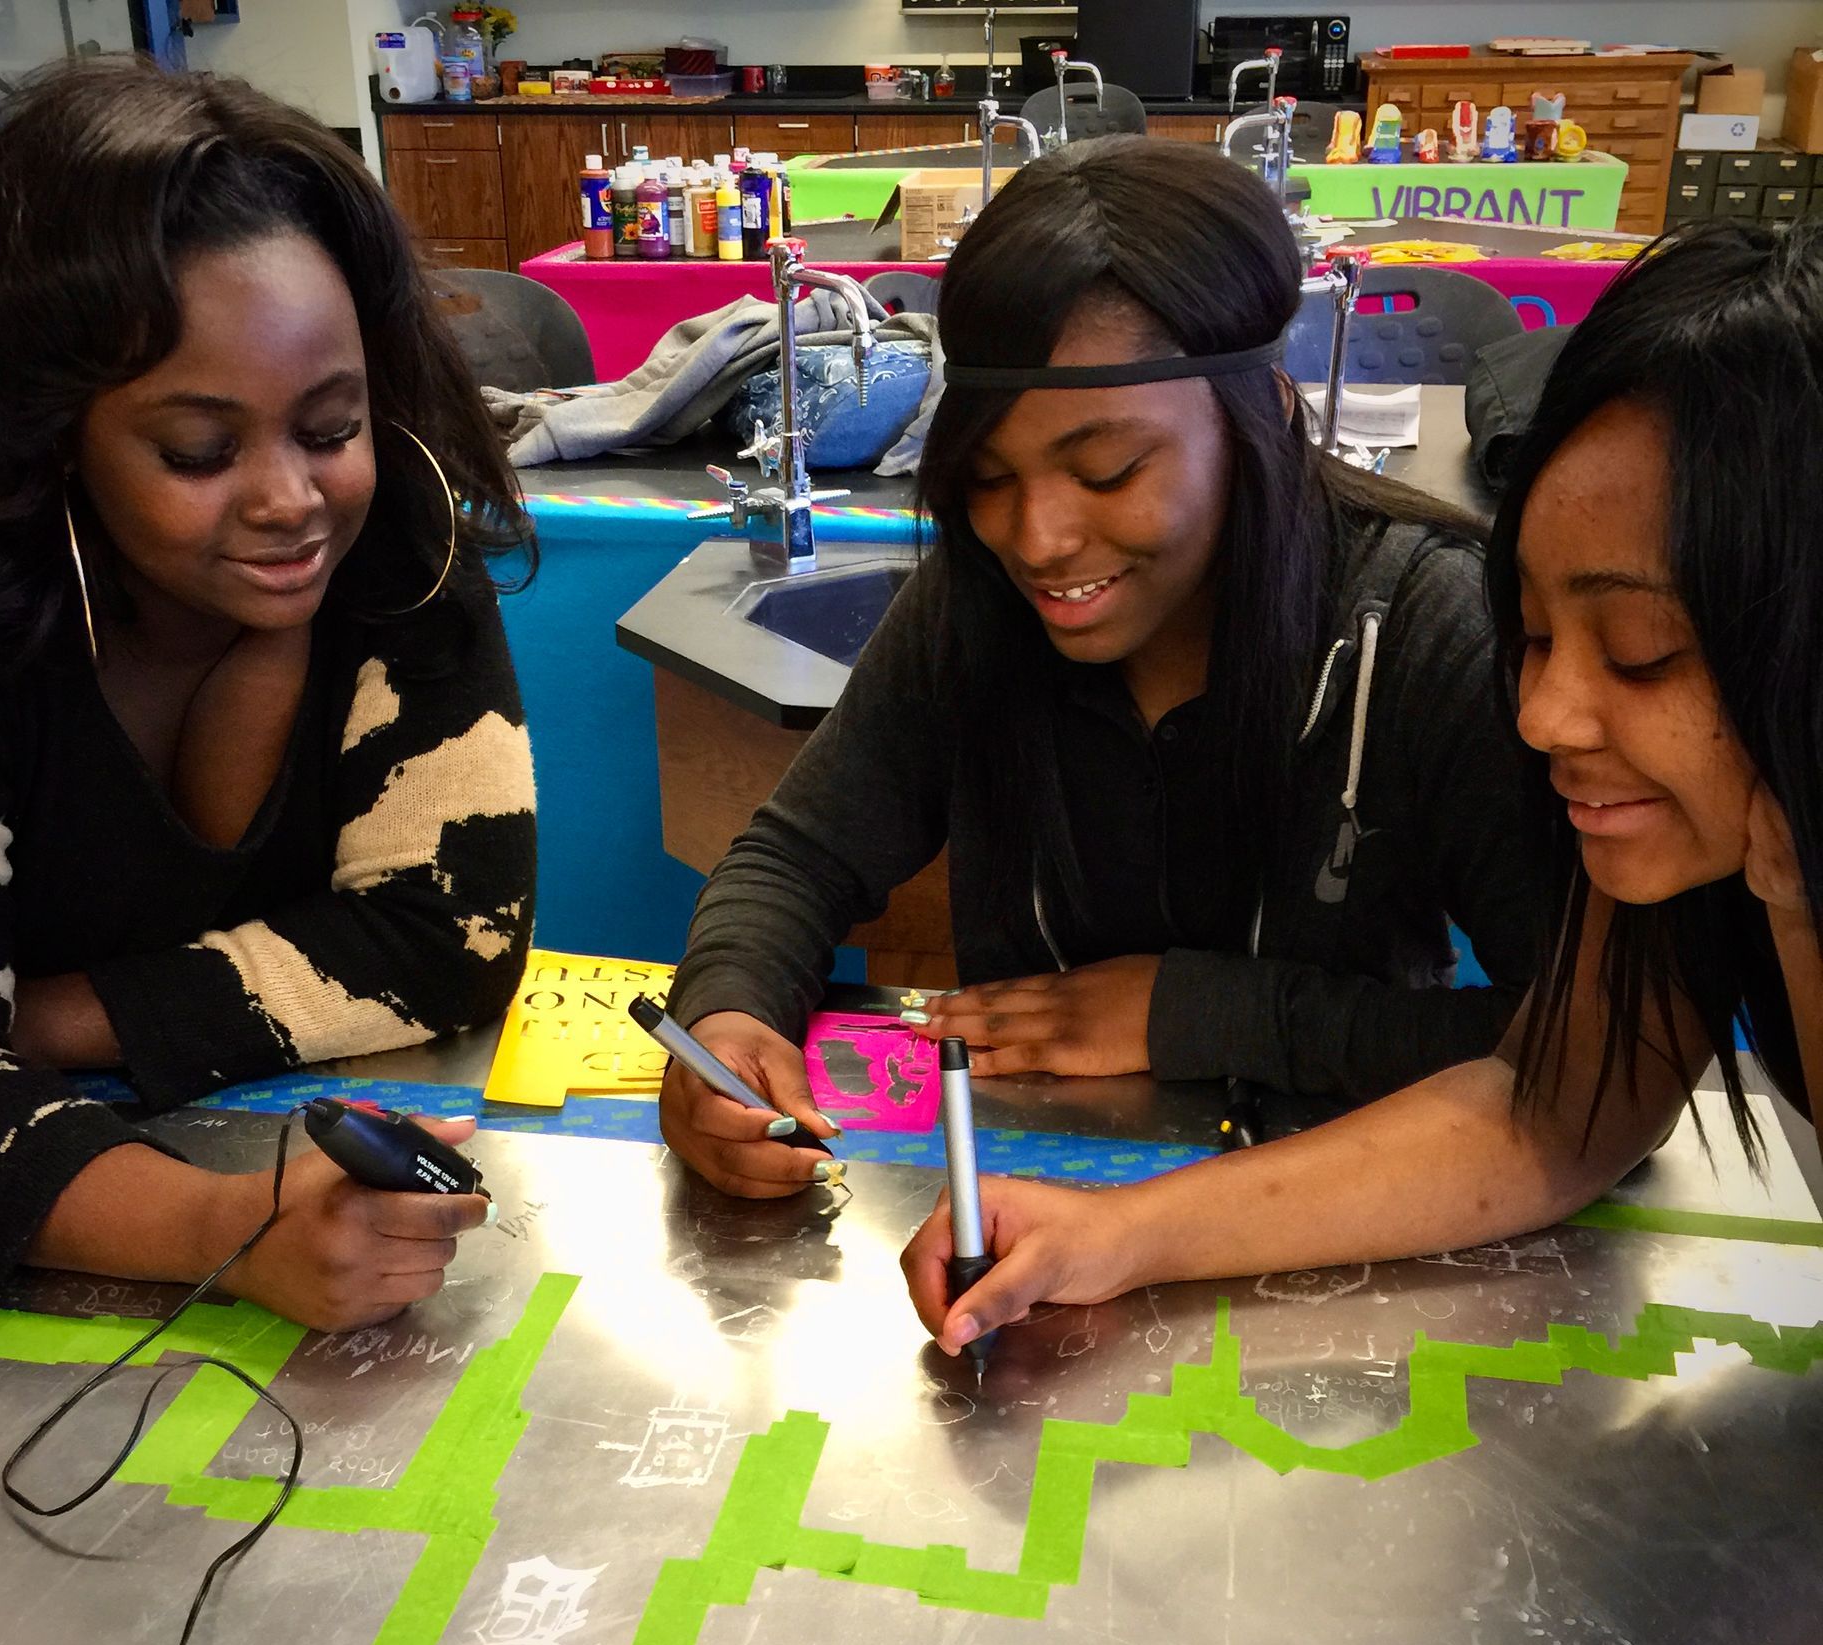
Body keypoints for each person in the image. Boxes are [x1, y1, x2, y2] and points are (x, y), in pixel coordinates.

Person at [904, 217, 1823, 1355]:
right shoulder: (1701, 827)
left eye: (1639, 652)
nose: (1543, 718)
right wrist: (1123, 1235)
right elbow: (1553, 1112)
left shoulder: (1409, 618)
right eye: (1534, 640)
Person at [660, 137, 1548, 1198]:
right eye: (987, 478)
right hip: (1021, 1207)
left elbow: (1583, 1048)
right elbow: (797, 857)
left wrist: (1203, 1013)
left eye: (1108, 469)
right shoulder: (972, 603)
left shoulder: (1426, 625)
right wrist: (727, 1013)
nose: (1036, 540)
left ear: (1262, 410)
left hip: (1358, 1203)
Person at [0, 61, 539, 1330]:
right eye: (198, 451)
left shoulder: (402, 561)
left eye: (330, 425)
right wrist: (227, 1227)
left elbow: (449, 937)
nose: (290, 502)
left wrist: (27, 1021)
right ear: (50, 436)